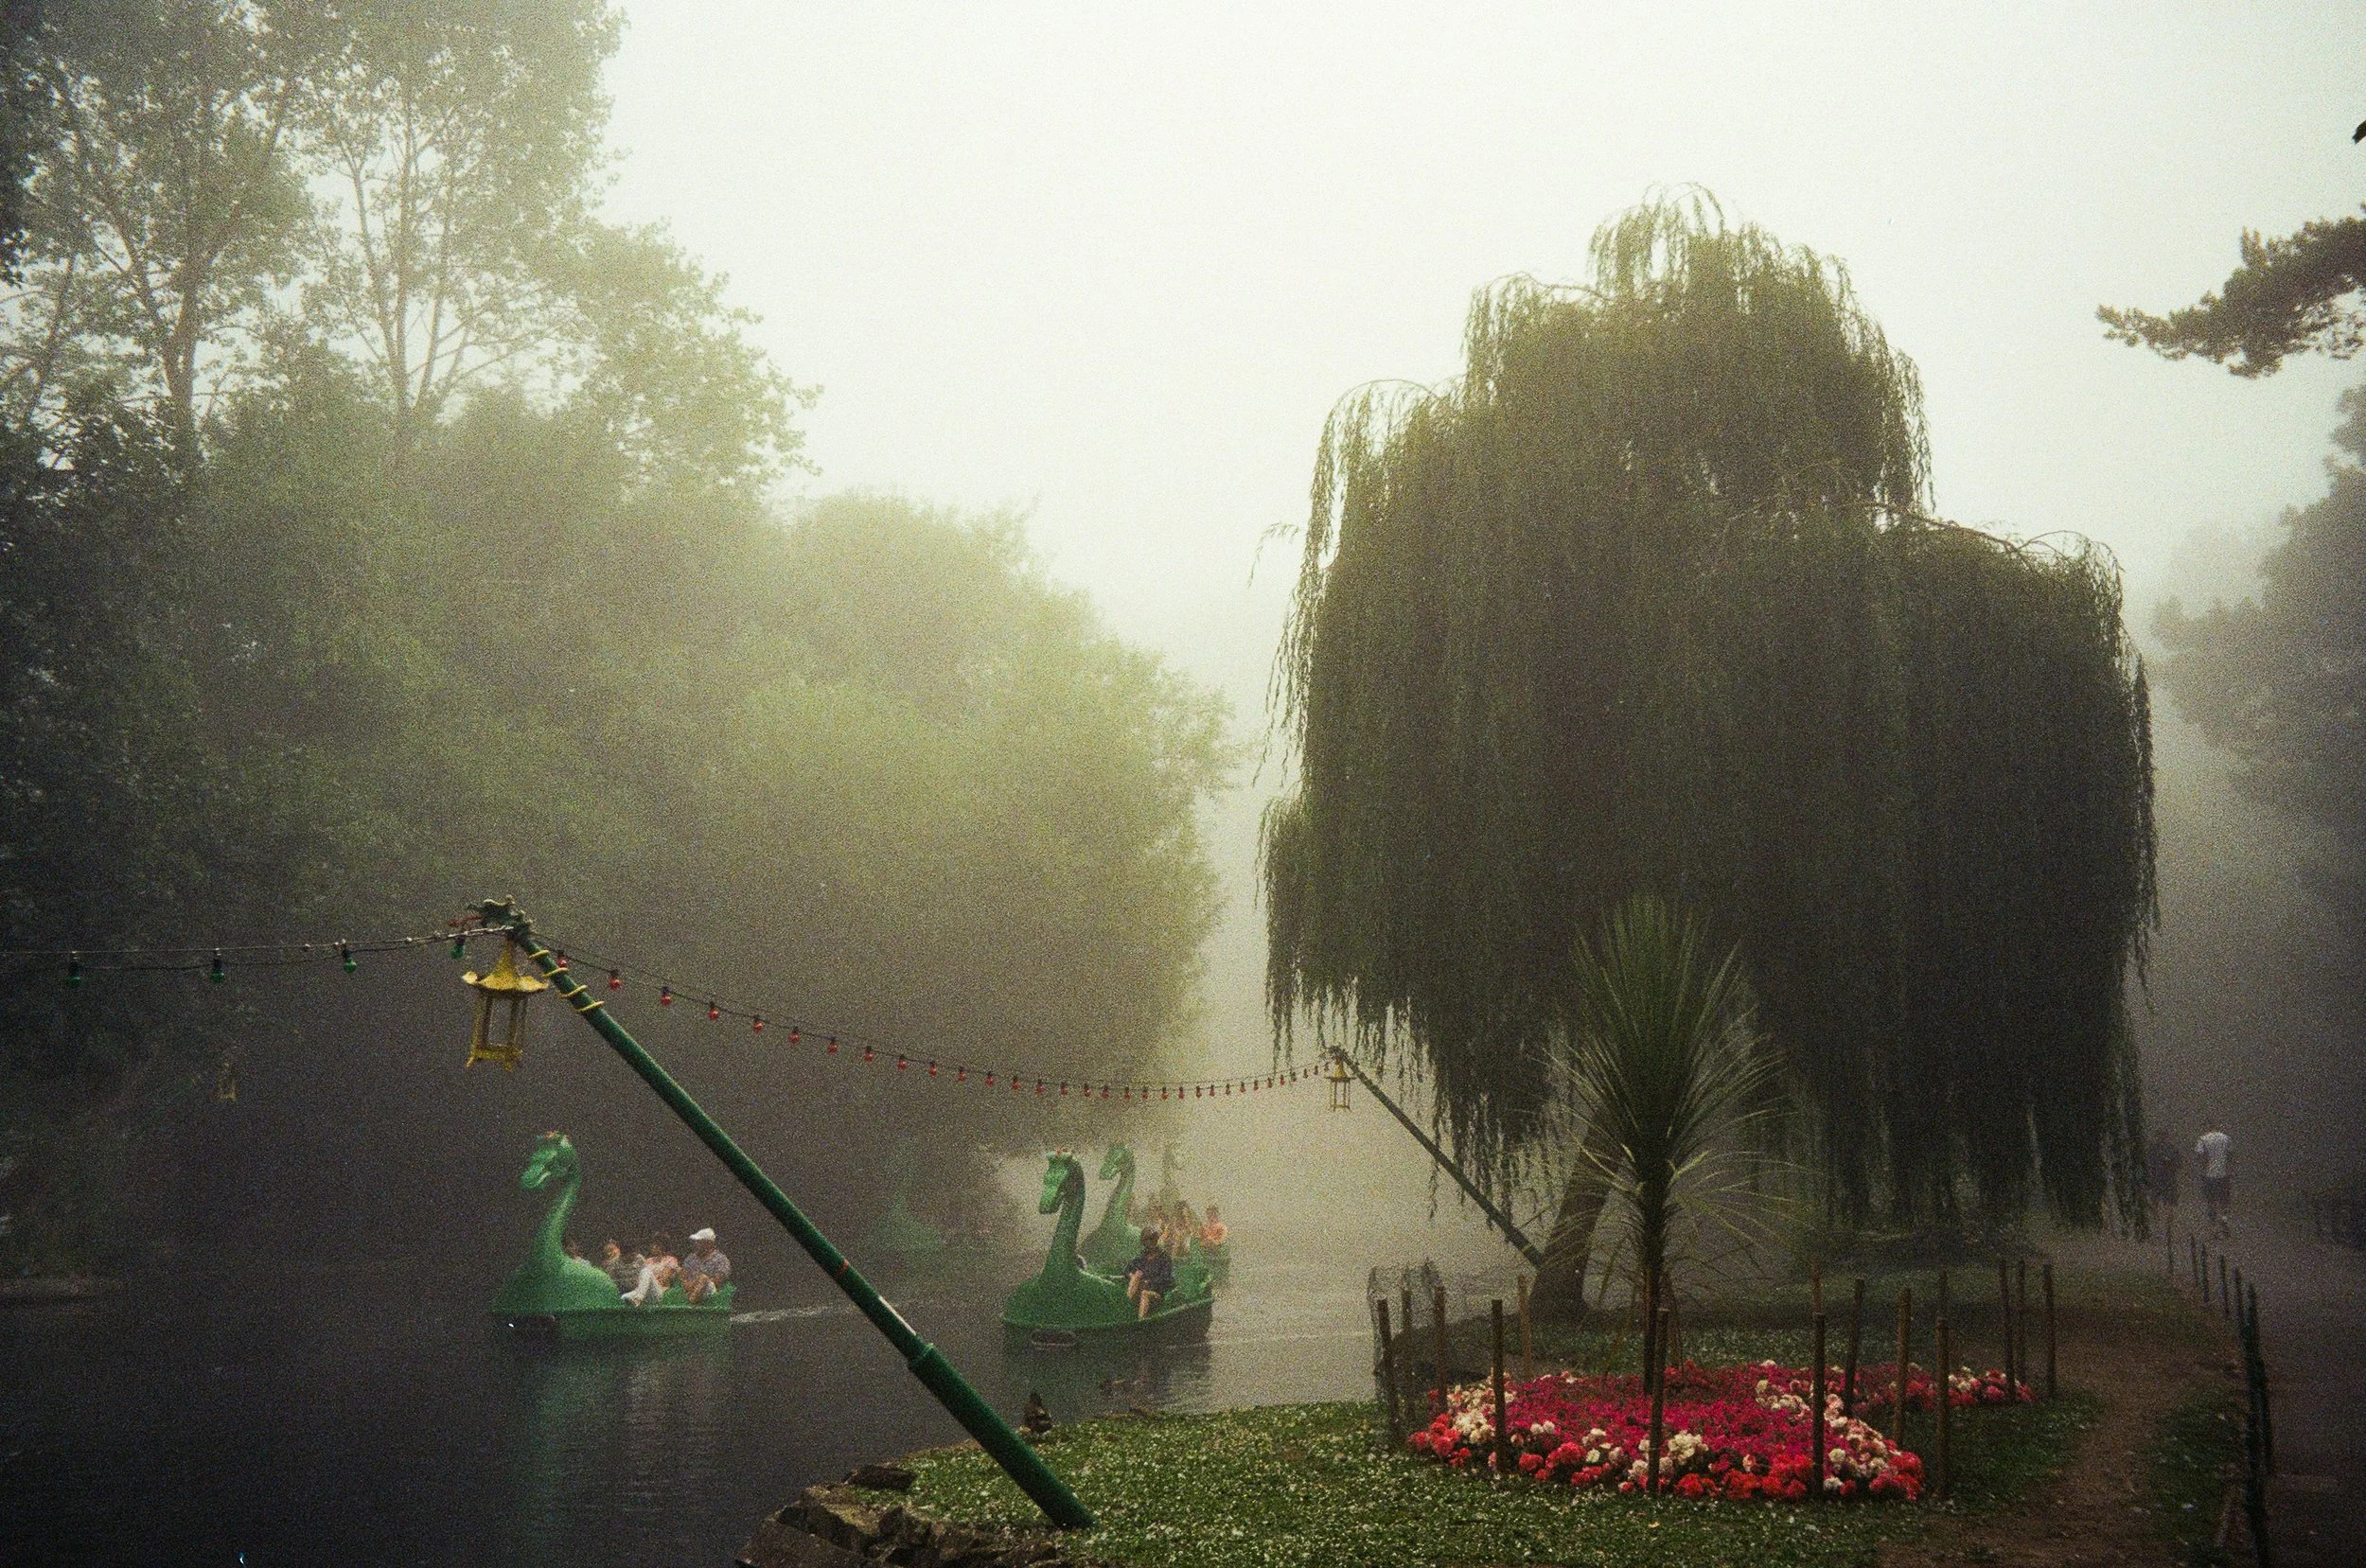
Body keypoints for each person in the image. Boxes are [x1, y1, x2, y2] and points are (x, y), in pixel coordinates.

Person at [1125, 1228, 1174, 1319]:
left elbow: (1165, 1278)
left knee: (1145, 1294)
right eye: (1146, 1240)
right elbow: (1127, 1270)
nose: (1149, 1243)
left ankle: (1141, 1321)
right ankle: (1126, 1304)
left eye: (1151, 1240)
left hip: (1156, 1293)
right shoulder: (1142, 1256)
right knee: (1135, 1276)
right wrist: (1132, 1275)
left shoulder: (1164, 1257)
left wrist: (1148, 1282)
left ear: (1155, 1240)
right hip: (1139, 1289)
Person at [2196, 1126, 2234, 1238]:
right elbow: (2230, 1155)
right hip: (2223, 1174)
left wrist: (2202, 1170)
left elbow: (2201, 1156)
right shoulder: (2226, 1138)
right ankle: (2224, 1220)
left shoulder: (2203, 1139)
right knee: (2224, 1201)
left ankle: (2213, 1229)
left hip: (2209, 1175)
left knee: (2211, 1201)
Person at [681, 1227, 732, 1303]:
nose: (695, 1245)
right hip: (689, 1289)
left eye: (699, 1242)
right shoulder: (690, 1259)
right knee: (700, 1280)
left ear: (708, 1243)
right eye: (695, 1242)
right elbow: (683, 1277)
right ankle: (692, 1298)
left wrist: (697, 1283)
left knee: (703, 1278)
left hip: (710, 1291)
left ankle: (691, 1302)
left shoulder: (721, 1260)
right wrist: (691, 1286)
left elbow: (718, 1281)